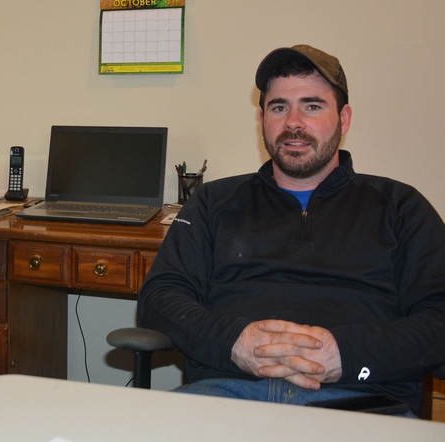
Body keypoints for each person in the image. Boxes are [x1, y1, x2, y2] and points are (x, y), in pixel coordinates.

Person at [138, 45, 445, 416]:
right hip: (223, 397)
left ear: (344, 119)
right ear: (263, 119)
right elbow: (160, 298)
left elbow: (438, 316)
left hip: (358, 405)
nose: (293, 123)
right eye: (279, 107)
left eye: (312, 106)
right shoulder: (213, 203)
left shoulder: (400, 207)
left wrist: (345, 354)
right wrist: (234, 342)